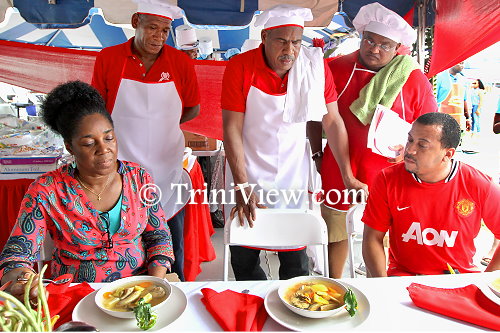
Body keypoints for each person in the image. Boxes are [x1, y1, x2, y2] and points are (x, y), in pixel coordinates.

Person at [222, 4, 365, 280]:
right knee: (244, 254)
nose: (290, 50)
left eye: (297, 42)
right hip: (247, 170)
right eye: (282, 41)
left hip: (292, 175)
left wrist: (348, 176)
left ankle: (293, 310)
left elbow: (333, 122)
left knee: (296, 259)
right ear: (264, 38)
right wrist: (242, 184)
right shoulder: (240, 67)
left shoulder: (314, 66)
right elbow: (231, 129)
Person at [0, 81, 175, 304]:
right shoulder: (47, 190)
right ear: (70, 147)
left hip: (139, 289)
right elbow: (17, 253)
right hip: (74, 296)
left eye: (109, 138)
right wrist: (23, 279)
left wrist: (151, 286)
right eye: (89, 143)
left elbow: (159, 236)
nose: (104, 149)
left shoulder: (139, 178)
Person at [314, 2, 437, 278]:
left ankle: (378, 287)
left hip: (388, 172)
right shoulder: (336, 68)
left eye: (384, 45)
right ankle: (335, 282)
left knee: (379, 234)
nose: (374, 49)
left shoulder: (414, 80)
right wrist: (316, 154)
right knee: (335, 230)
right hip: (338, 165)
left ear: (397, 49)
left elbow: (431, 129)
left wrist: (411, 155)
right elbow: (315, 117)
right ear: (361, 37)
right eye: (369, 40)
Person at [91, 0, 200, 281]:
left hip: (167, 167)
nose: (159, 36)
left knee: (170, 241)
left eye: (165, 30)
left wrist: (163, 124)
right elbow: (97, 108)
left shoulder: (181, 62)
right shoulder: (108, 58)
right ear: (135, 21)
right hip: (121, 168)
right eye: (152, 27)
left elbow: (193, 107)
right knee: (124, 241)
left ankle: (175, 291)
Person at [362, 112, 500, 276]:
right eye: (410, 140)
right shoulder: (387, 179)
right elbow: (371, 239)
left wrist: (484, 282)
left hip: (458, 278)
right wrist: (383, 285)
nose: (410, 150)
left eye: (422, 145)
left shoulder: (479, 184)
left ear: (447, 154)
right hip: (402, 278)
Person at [436, 62, 470, 132]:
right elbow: (434, 98)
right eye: (460, 63)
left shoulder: (463, 80)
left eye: (463, 64)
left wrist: (467, 118)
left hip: (458, 120)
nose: (462, 66)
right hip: (442, 118)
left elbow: (464, 100)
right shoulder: (440, 77)